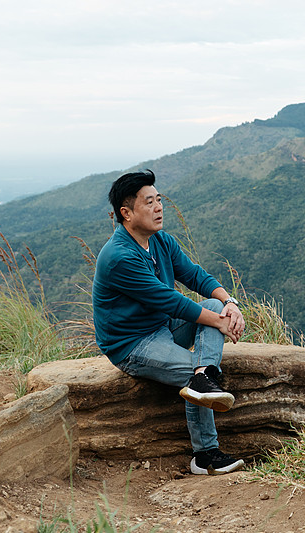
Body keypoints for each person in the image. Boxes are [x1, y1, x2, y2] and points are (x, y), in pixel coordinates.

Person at [92, 169, 246, 475]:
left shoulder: (161, 240)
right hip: (132, 345)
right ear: (126, 213)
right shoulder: (119, 257)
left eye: (158, 200)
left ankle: (205, 373)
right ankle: (205, 456)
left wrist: (229, 304)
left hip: (163, 328)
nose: (159, 207)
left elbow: (194, 275)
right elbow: (170, 301)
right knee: (194, 372)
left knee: (214, 305)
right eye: (149, 202)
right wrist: (221, 322)